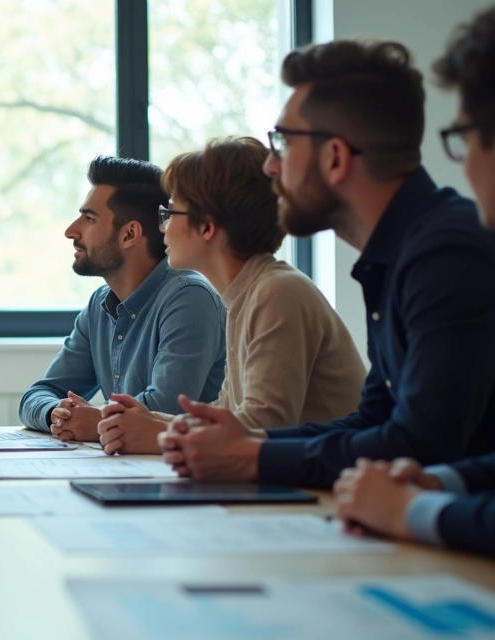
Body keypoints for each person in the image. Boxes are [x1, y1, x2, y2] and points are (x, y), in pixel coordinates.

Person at [160, 40, 495, 489]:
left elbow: (419, 443)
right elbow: (374, 419)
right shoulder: (399, 254)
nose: (270, 169)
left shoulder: (443, 255)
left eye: (282, 143)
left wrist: (253, 456)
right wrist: (251, 441)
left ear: (335, 157)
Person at [333, 8, 495, 557]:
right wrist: (448, 484)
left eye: (465, 137)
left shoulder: (446, 249)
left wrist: (415, 510)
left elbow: (420, 437)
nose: (466, 164)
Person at [98, 137, 365, 455]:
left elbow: (265, 427)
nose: (163, 228)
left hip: (327, 489)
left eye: (169, 213)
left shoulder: (277, 294)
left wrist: (157, 434)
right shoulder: (244, 293)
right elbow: (231, 411)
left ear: (207, 227)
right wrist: (146, 419)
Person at [19, 156, 226, 442]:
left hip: (185, 476)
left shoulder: (190, 298)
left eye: (89, 218)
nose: (71, 231)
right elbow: (36, 395)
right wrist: (57, 411)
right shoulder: (99, 304)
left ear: (129, 234)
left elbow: (165, 410)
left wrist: (96, 421)